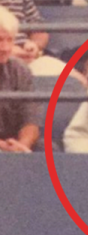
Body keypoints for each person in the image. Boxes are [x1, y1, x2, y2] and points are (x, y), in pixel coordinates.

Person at [0, 0, 87, 84]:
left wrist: (34, 46)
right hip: (5, 61)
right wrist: (8, 49)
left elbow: (40, 30)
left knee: (79, 81)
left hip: (29, 60)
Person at [0, 5, 38, 152]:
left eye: (10, 40)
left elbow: (30, 120)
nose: (5, 48)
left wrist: (23, 145)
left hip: (13, 143)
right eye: (0, 40)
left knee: (49, 148)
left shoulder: (20, 69)